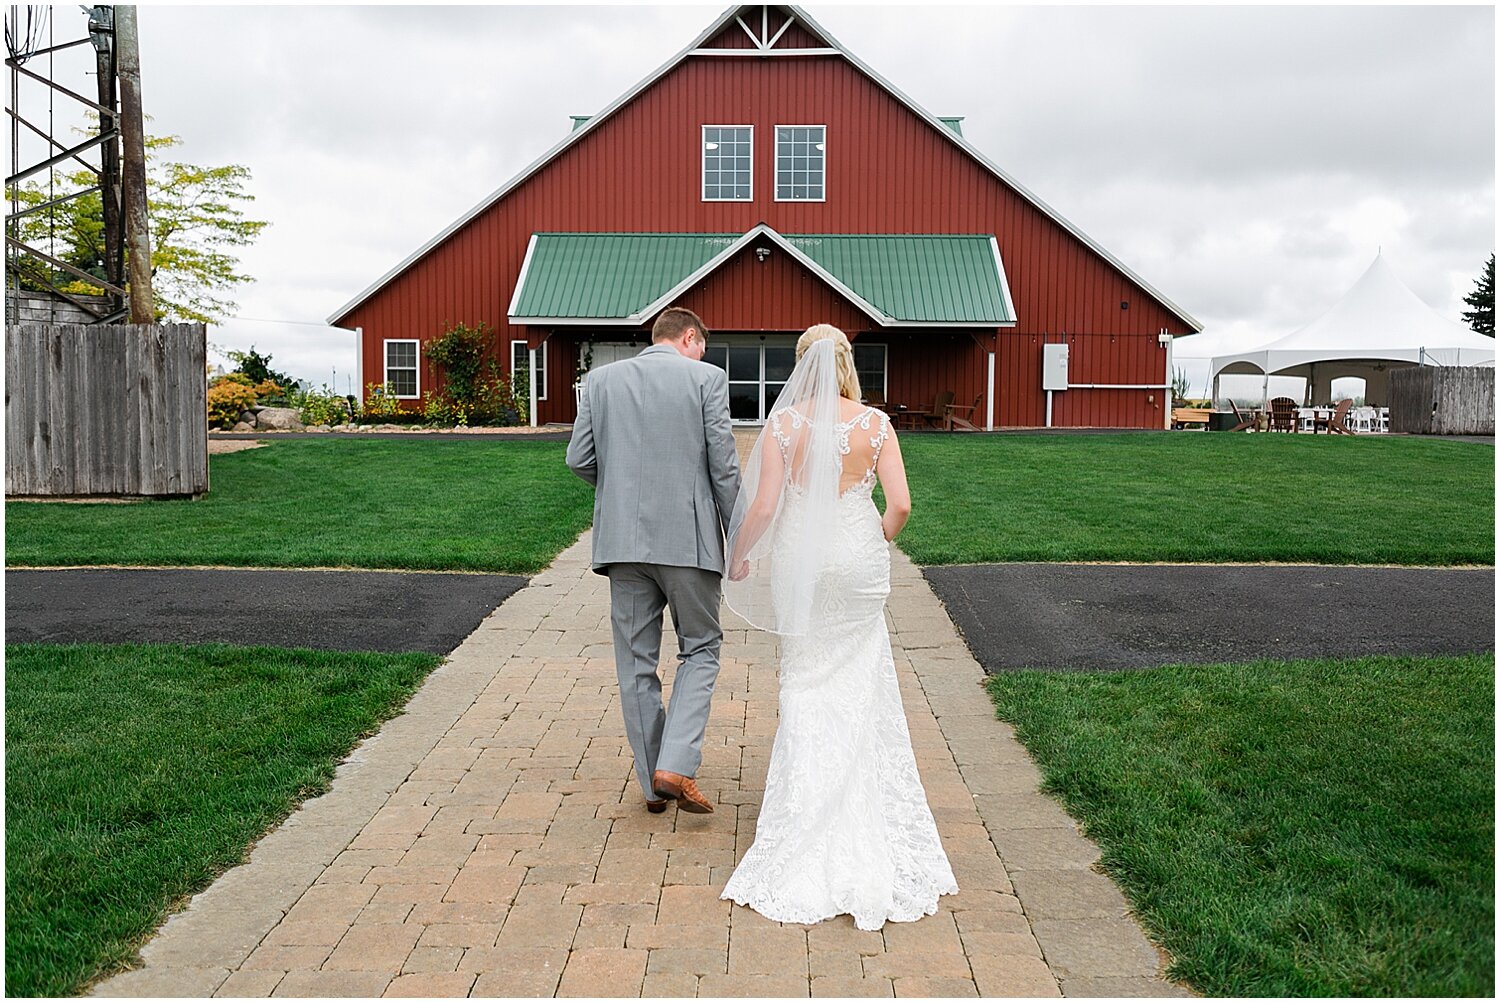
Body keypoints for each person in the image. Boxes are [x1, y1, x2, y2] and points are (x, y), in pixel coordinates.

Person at [719, 323, 957, 930]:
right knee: (862, 679)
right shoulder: (876, 425)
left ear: (802, 365)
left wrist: (739, 554)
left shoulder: (783, 424)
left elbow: (767, 506)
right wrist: (872, 540)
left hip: (802, 563)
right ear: (848, 363)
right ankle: (862, 808)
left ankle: (807, 817)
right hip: (857, 564)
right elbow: (900, 505)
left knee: (803, 679)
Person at [565, 306, 741, 814]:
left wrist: (620, 489)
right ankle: (676, 764)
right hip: (688, 542)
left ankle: (652, 784)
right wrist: (742, 536)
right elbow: (723, 468)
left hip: (622, 545)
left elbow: (578, 459)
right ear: (690, 337)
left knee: (635, 662)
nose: (701, 355)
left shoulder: (600, 382)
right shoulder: (707, 380)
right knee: (702, 646)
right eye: (701, 345)